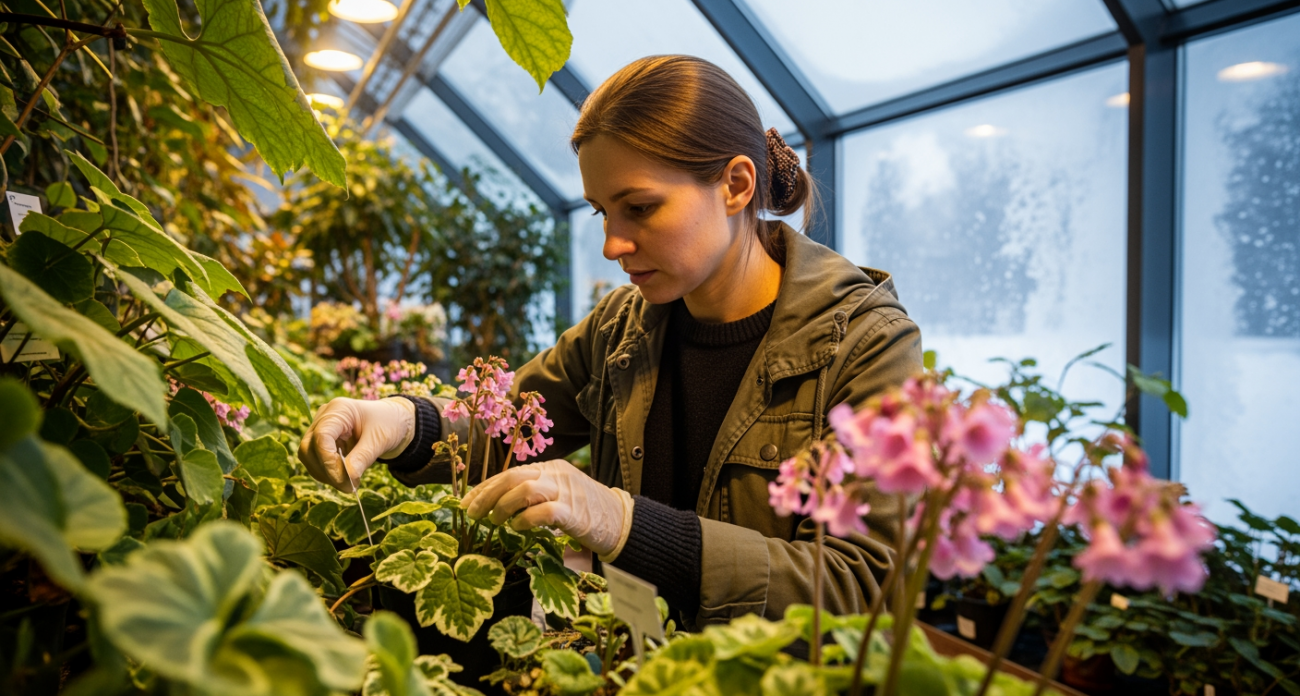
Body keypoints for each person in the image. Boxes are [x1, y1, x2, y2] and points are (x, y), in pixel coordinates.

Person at [299, 55, 923, 628]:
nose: (612, 245)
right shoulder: (623, 326)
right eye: (602, 212)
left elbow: (864, 585)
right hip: (625, 655)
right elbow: (509, 422)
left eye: (641, 208)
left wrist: (625, 524)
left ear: (735, 185)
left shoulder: (864, 345)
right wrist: (405, 423)